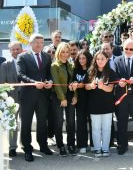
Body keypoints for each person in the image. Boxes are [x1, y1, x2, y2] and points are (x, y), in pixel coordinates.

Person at [17, 33, 53, 162]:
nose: (39, 45)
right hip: (27, 96)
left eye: (41, 42)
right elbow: (21, 74)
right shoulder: (22, 57)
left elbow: (50, 73)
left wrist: (50, 82)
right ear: (31, 43)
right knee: (26, 123)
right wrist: (33, 82)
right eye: (37, 42)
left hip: (43, 95)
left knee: (42, 122)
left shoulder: (47, 57)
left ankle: (43, 145)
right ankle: (27, 148)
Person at [114, 39, 133, 155]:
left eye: (131, 49)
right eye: (126, 48)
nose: (128, 51)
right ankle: (122, 145)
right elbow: (114, 76)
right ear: (122, 48)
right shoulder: (117, 60)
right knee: (122, 122)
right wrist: (118, 81)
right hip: (122, 96)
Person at [85, 50, 117, 157]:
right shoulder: (90, 72)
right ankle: (97, 148)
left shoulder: (111, 72)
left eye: (102, 59)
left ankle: (105, 148)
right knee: (95, 128)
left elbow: (110, 89)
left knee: (107, 128)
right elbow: (85, 86)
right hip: (94, 105)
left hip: (107, 105)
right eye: (97, 59)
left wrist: (102, 86)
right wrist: (91, 86)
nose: (100, 61)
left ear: (107, 60)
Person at [50, 42, 77, 156]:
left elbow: (74, 81)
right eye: (63, 52)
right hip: (58, 97)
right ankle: (60, 145)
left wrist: (75, 95)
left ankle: (71, 144)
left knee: (71, 121)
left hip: (70, 96)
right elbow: (56, 83)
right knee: (59, 121)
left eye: (67, 52)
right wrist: (62, 98)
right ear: (59, 52)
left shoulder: (71, 65)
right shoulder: (54, 65)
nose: (65, 54)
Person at [0, 41, 22, 157]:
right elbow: (2, 84)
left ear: (21, 50)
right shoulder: (5, 65)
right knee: (13, 124)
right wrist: (5, 100)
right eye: (13, 49)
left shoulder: (26, 62)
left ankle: (25, 144)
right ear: (9, 51)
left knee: (25, 123)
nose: (15, 51)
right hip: (11, 100)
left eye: (17, 49)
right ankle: (12, 147)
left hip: (26, 98)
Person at [72, 49, 93, 154]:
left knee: (93, 123)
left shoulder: (92, 69)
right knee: (81, 123)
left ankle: (93, 144)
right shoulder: (75, 70)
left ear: (88, 58)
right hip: (79, 101)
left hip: (91, 100)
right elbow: (72, 82)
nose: (81, 60)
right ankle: (82, 144)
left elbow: (89, 82)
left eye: (83, 58)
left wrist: (80, 84)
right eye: (79, 58)